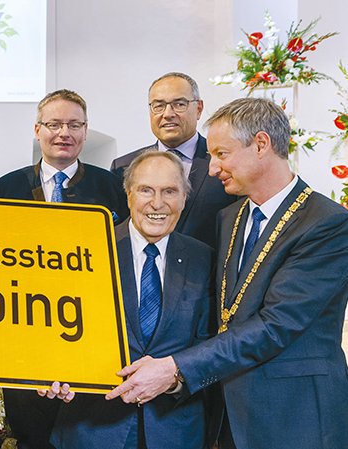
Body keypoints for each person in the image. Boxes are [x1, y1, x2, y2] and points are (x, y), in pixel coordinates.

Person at [106, 97, 348, 449]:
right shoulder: (230, 218)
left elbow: (276, 324)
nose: (212, 167)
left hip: (295, 416)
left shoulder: (326, 223)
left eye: (222, 154)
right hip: (230, 415)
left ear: (261, 144)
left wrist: (175, 367)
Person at [0, 89, 127, 449]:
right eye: (54, 124)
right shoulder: (8, 187)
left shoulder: (111, 186)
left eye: (74, 124)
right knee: (30, 430)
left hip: (88, 330)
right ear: (38, 129)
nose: (64, 133)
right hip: (23, 329)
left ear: (85, 130)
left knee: (84, 428)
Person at [49, 151, 215, 449]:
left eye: (170, 191)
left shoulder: (204, 259)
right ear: (128, 195)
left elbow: (209, 346)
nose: (157, 203)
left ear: (184, 199)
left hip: (175, 432)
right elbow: (55, 333)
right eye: (146, 190)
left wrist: (175, 379)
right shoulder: (87, 251)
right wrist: (55, 372)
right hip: (92, 430)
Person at [110, 72, 238, 248]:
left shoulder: (224, 163)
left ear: (199, 109)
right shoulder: (124, 166)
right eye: (159, 106)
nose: (168, 114)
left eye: (179, 104)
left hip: (207, 272)